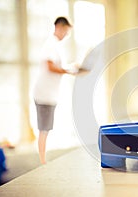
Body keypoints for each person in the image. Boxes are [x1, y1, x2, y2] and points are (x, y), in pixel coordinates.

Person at [33, 16, 76, 164]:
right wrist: (68, 71)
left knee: (45, 129)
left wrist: (69, 68)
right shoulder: (50, 44)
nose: (66, 35)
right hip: (44, 94)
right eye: (66, 31)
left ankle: (43, 160)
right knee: (44, 129)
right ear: (60, 27)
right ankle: (42, 161)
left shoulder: (54, 45)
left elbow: (56, 66)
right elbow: (51, 66)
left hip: (49, 94)